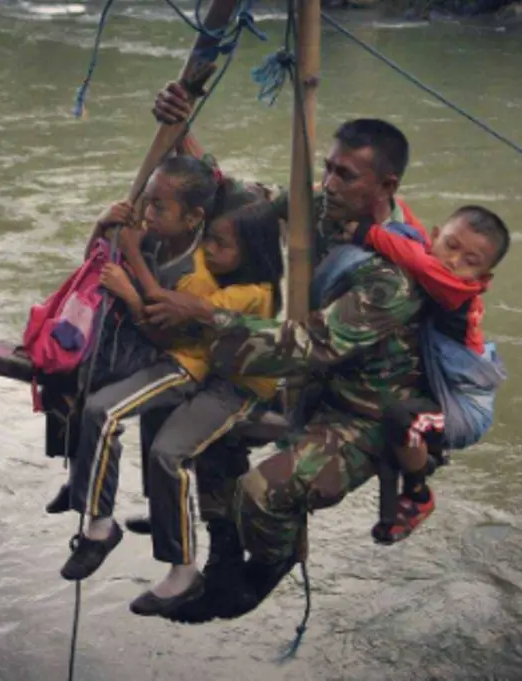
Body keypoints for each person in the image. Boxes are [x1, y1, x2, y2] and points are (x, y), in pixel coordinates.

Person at [147, 82, 430, 621]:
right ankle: (224, 551)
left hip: (362, 410)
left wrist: (208, 315)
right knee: (204, 420)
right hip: (306, 384)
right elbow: (230, 194)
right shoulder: (321, 206)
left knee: (262, 493)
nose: (329, 182)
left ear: (386, 184)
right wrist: (181, 130)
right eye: (328, 167)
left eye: (345, 175)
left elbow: (310, 346)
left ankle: (265, 566)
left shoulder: (392, 274)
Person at [59, 173, 284, 585]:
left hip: (184, 363)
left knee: (106, 414)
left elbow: (164, 323)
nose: (147, 215)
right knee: (77, 380)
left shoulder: (210, 279)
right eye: (147, 205)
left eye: (157, 208)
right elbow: (100, 258)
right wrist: (105, 225)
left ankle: (99, 525)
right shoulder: (162, 240)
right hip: (161, 353)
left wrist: (132, 282)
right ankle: (84, 486)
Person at [343, 205, 510, 544]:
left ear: (484, 279)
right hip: (447, 388)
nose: (453, 261)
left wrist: (368, 233)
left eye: (471, 261)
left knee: (404, 419)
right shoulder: (434, 253)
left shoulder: (457, 291)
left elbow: (421, 262)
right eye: (450, 246)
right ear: (435, 236)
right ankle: (423, 454)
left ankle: (419, 494)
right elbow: (415, 235)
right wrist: (391, 203)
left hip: (464, 410)